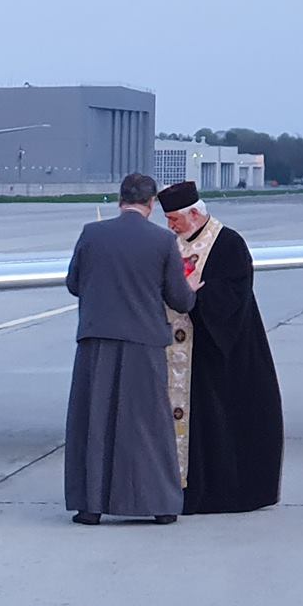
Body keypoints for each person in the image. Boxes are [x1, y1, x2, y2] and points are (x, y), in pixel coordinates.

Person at [63, 172, 196, 525]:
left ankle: (90, 506)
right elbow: (180, 299)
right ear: (151, 203)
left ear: (120, 199)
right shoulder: (162, 240)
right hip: (144, 343)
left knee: (95, 423)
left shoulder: (91, 234)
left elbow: (74, 284)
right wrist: (192, 290)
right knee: (148, 426)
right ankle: (160, 505)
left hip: (96, 340)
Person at [157, 182, 284, 514]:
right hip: (177, 353)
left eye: (174, 219)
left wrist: (193, 295)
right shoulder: (172, 244)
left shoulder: (228, 244)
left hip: (218, 350)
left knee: (217, 425)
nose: (171, 226)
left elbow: (233, 294)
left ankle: (217, 494)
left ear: (194, 214)